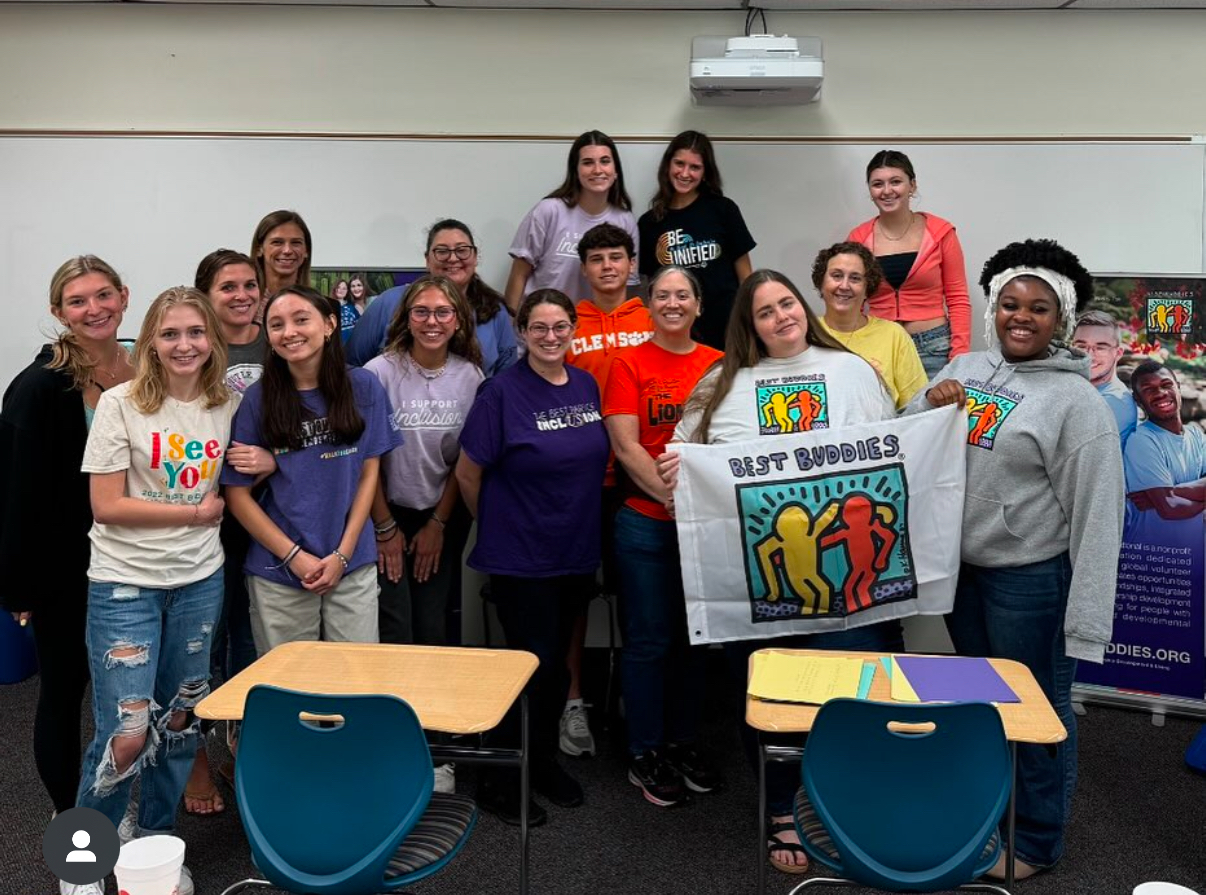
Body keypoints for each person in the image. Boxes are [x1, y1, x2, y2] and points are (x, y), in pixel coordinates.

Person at [657, 270, 899, 874]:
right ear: (750, 324)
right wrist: (675, 474)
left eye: (786, 303)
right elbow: (682, 457)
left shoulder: (851, 371)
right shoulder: (722, 383)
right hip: (760, 582)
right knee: (772, 697)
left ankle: (845, 802)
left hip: (849, 580)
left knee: (852, 693)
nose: (780, 318)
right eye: (764, 312)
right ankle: (783, 807)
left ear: (803, 306)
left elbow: (894, 448)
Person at [911, 238, 1124, 879]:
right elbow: (904, 437)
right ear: (992, 309)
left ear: (1060, 321)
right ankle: (991, 816)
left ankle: (1034, 842)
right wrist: (927, 402)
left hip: (1030, 583)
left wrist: (1086, 622)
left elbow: (1099, 517)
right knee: (983, 704)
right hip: (966, 576)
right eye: (1010, 304)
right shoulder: (969, 367)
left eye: (1038, 308)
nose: (1021, 317)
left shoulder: (1077, 406)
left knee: (1039, 712)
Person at [75, 287, 263, 895]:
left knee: (179, 723)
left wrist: (266, 462)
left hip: (198, 585)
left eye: (195, 333)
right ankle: (81, 862)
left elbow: (246, 470)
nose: (184, 345)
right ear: (150, 340)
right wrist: (192, 514)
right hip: (125, 586)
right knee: (125, 734)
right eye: (170, 333)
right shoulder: (121, 403)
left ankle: (155, 847)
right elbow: (105, 505)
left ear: (213, 339)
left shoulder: (227, 403)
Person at [456, 289, 610, 826]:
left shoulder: (586, 384)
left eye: (560, 327)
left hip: (574, 551)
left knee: (553, 672)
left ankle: (540, 763)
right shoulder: (501, 393)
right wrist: (501, 525)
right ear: (521, 333)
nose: (550, 337)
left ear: (573, 331)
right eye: (539, 328)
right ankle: (499, 779)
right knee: (528, 670)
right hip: (521, 557)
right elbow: (468, 475)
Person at [0, 257, 135, 838]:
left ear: (124, 297)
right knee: (63, 691)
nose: (94, 309)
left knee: (125, 696)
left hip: (137, 558)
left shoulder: (145, 367)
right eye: (78, 301)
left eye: (103, 295)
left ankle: (116, 797)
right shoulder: (37, 387)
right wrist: (19, 584)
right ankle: (70, 812)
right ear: (58, 312)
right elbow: (13, 491)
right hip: (64, 569)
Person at [222, 286, 400, 654]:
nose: (289, 332)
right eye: (276, 324)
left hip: (351, 563)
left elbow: (369, 474)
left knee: (356, 685)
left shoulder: (363, 386)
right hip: (280, 569)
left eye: (301, 319)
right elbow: (237, 495)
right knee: (290, 691)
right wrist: (294, 557)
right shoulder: (257, 399)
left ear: (330, 324)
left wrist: (343, 554)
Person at [604, 265, 724, 807]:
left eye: (683, 295)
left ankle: (684, 741)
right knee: (649, 641)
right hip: (645, 525)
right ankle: (645, 751)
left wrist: (696, 508)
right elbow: (627, 447)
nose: (672, 303)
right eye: (661, 295)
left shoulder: (721, 364)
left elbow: (730, 443)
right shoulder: (627, 362)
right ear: (647, 305)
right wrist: (672, 499)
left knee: (695, 641)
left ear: (699, 305)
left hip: (705, 528)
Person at [558, 221, 654, 758]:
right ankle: (573, 701)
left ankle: (630, 695)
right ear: (585, 268)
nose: (608, 267)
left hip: (640, 480)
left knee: (638, 595)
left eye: (616, 257)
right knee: (573, 593)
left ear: (630, 264)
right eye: (597, 260)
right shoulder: (569, 322)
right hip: (584, 481)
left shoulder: (653, 314)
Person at [184, 248, 268, 815]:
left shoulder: (282, 334)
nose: (241, 295)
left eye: (249, 285)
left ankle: (243, 753)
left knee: (249, 643)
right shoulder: (190, 348)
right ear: (206, 297)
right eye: (227, 287)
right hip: (201, 520)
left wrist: (274, 459)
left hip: (268, 518)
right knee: (198, 650)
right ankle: (193, 762)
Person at [365, 275, 482, 647]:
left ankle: (429, 705)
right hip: (384, 510)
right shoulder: (378, 374)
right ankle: (391, 704)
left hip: (442, 512)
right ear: (406, 318)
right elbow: (366, 462)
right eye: (422, 312)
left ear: (458, 320)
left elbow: (464, 461)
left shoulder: (471, 376)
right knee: (394, 624)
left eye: (443, 312)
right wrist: (384, 528)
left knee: (433, 624)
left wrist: (437, 524)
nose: (432, 322)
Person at [847, 150, 971, 378]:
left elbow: (958, 298)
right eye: (877, 184)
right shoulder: (858, 238)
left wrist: (959, 357)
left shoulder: (941, 232)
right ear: (870, 190)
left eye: (896, 182)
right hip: (880, 347)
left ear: (912, 186)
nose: (887, 191)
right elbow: (851, 301)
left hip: (934, 347)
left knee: (936, 413)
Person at [347, 219, 517, 380]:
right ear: (427, 260)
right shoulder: (389, 302)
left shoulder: (495, 310)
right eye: (442, 251)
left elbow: (507, 380)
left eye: (462, 250)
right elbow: (350, 366)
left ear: (475, 257)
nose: (452, 258)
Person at [638, 130, 755, 350]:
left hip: (727, 329)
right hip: (674, 331)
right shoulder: (649, 223)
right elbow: (648, 288)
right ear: (667, 166)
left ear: (705, 172)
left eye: (695, 167)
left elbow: (746, 276)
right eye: (679, 164)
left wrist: (748, 320)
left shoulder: (723, 210)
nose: (685, 173)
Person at [504, 130, 639, 314]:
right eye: (587, 163)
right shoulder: (549, 211)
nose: (597, 170)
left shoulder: (625, 220)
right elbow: (519, 274)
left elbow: (628, 285)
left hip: (592, 333)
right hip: (541, 327)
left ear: (615, 171)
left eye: (605, 161)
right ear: (575, 171)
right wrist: (509, 328)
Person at [812, 241, 927, 410]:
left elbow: (916, 405)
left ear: (867, 288)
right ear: (821, 283)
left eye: (855, 278)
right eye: (836, 275)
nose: (844, 286)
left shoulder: (893, 335)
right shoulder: (805, 334)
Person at [1123, 360, 1206, 549]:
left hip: (1193, 557)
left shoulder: (1195, 435)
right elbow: (1170, 508)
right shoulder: (1142, 440)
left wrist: (1167, 493)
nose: (1160, 393)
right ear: (1138, 400)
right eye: (1148, 389)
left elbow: (1168, 500)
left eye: (1166, 385)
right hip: (1155, 561)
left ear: (1177, 387)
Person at [1072, 309, 1138, 447]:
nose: (1089, 355)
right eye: (1081, 346)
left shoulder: (1114, 403)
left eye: (1100, 347)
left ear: (1118, 353)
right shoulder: (1086, 390)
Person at [250, 210, 312, 319]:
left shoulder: (318, 307)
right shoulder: (245, 305)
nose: (287, 250)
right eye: (277, 242)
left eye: (296, 243)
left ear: (306, 250)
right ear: (259, 249)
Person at [339, 272, 371, 343]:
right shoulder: (349, 307)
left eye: (359, 285)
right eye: (353, 286)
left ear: (364, 286)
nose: (356, 289)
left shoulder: (373, 301)